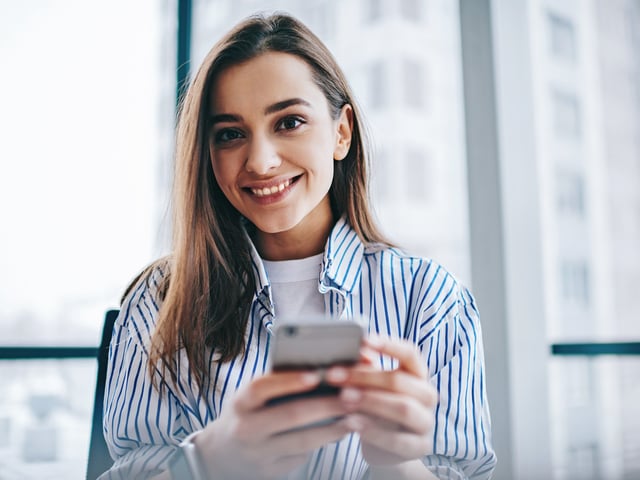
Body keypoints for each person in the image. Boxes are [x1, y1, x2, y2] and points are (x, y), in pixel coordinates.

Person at [101, 12, 496, 480]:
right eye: (230, 134)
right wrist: (208, 462)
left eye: (289, 122)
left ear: (341, 132)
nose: (261, 162)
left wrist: (400, 465)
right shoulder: (158, 304)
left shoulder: (430, 300)